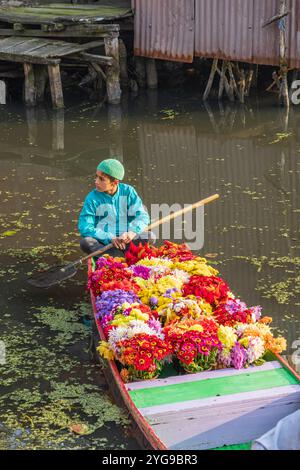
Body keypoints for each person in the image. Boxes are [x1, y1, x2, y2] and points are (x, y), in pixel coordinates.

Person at [78, 158, 153, 257]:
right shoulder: (92, 198)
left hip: (126, 239)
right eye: (96, 177)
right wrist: (110, 238)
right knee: (86, 242)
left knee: (150, 236)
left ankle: (114, 255)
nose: (96, 181)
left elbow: (142, 216)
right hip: (105, 242)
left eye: (101, 179)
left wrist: (132, 232)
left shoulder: (128, 191)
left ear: (115, 182)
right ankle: (121, 254)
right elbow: (85, 227)